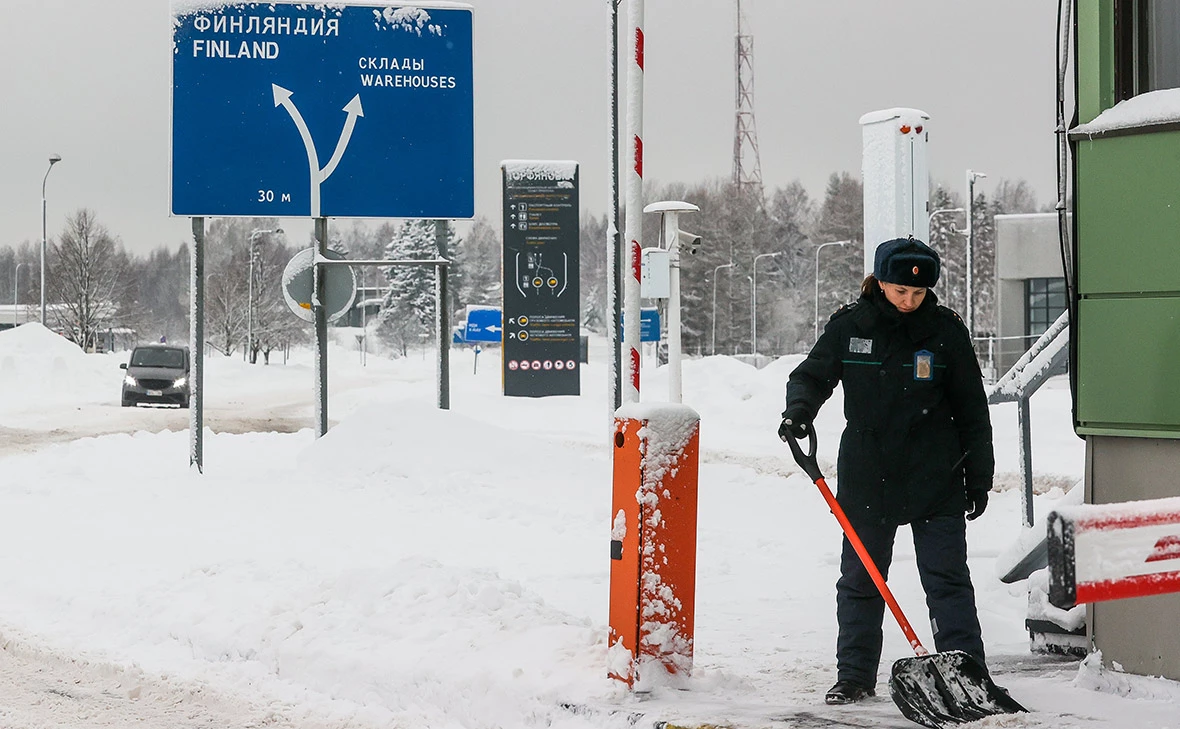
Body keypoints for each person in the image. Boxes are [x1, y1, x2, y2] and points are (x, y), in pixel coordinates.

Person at [778, 236, 993, 706]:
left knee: (947, 579)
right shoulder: (850, 326)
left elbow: (972, 410)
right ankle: (854, 676)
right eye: (900, 291)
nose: (909, 300)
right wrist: (799, 411)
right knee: (861, 579)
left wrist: (979, 477)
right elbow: (811, 376)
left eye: (918, 292)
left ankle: (970, 677)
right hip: (868, 472)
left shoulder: (945, 332)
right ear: (879, 282)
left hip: (936, 473)